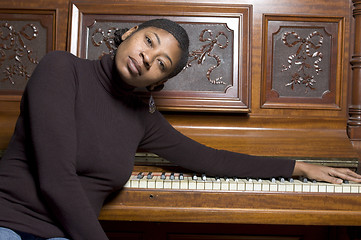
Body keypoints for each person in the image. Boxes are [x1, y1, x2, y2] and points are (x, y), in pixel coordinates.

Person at [0, 18, 360, 240]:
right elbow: (55, 178)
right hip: (9, 223)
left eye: (162, 64)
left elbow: (212, 159)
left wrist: (299, 168)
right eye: (149, 41)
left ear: (160, 82)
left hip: (64, 234)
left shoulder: (143, 118)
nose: (148, 58)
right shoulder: (62, 69)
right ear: (129, 33)